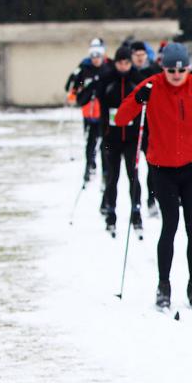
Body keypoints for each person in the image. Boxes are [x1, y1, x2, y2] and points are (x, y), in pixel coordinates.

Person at [115, 43, 192, 312]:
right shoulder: (152, 85)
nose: (177, 74)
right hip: (162, 168)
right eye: (171, 69)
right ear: (163, 67)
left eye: (182, 69)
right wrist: (137, 99)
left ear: (189, 68)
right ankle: (164, 286)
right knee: (169, 226)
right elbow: (122, 118)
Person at [91, 45, 146, 236]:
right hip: (112, 137)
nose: (123, 66)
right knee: (112, 176)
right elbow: (99, 103)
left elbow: (144, 105)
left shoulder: (137, 79)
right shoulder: (107, 80)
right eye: (120, 63)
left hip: (131, 137)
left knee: (133, 175)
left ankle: (136, 212)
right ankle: (110, 212)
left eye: (126, 63)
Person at [65, 39, 108, 184]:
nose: (96, 59)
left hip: (104, 113)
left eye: (98, 56)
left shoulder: (107, 69)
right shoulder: (84, 70)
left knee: (104, 144)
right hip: (89, 113)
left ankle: (105, 171)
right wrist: (76, 89)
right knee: (90, 141)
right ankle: (89, 166)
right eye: (93, 56)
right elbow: (74, 86)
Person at [129, 41, 160, 219]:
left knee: (152, 166)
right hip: (133, 128)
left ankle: (151, 199)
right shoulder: (129, 73)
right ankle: (136, 202)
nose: (139, 59)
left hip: (151, 126)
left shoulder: (154, 72)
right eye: (136, 55)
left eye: (142, 55)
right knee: (133, 167)